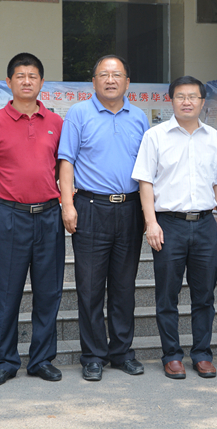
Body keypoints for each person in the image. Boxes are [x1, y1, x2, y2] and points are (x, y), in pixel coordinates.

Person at [0, 53, 65, 386]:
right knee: (7, 291)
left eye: (33, 76)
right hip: (10, 217)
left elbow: (63, 168)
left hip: (49, 216)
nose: (27, 81)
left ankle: (41, 359)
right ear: (9, 82)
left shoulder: (56, 122)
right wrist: (4, 198)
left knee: (48, 292)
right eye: (20, 76)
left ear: (41, 82)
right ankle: (4, 361)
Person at [58, 54, 149, 381]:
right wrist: (67, 205)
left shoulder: (139, 117)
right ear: (93, 81)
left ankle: (122, 352)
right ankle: (93, 355)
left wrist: (149, 213)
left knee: (124, 286)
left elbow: (148, 168)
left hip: (130, 208)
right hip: (90, 208)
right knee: (90, 287)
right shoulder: (79, 114)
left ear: (127, 82)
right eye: (104, 75)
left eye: (117, 75)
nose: (111, 80)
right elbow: (66, 162)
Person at [132, 76, 217, 380]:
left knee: (205, 295)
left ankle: (202, 355)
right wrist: (151, 223)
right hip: (169, 225)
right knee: (167, 295)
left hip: (205, 224)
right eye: (180, 96)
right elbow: (145, 182)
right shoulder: (155, 136)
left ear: (202, 102)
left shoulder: (213, 137)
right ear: (171, 100)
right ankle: (172, 355)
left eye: (193, 97)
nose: (187, 102)